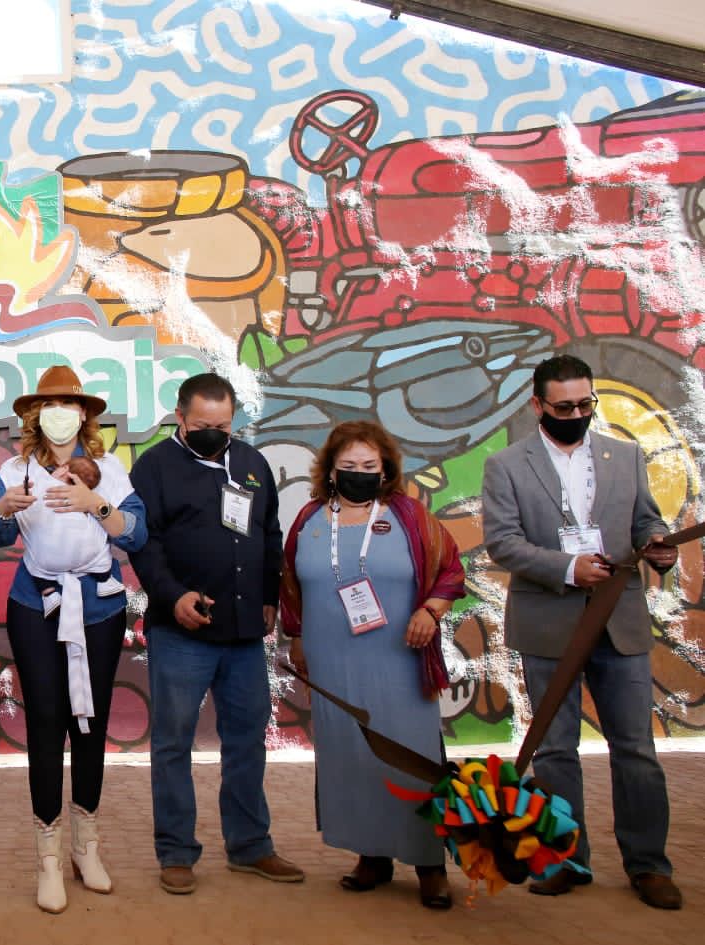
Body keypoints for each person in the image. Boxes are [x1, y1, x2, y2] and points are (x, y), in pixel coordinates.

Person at [482, 354, 681, 910]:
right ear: (538, 405)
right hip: (548, 624)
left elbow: (646, 522)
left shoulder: (627, 456)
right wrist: (569, 568)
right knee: (556, 751)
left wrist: (659, 545)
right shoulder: (506, 465)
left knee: (636, 749)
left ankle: (649, 865)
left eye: (585, 404)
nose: (576, 414)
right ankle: (566, 861)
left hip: (620, 622)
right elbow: (503, 543)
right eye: (564, 406)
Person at [0, 365, 148, 914]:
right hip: (36, 605)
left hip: (99, 607)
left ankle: (86, 847)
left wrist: (95, 503)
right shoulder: (16, 469)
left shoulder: (109, 469)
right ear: (35, 415)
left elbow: (137, 533)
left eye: (68, 405)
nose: (58, 414)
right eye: (47, 405)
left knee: (90, 722)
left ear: (83, 414)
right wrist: (3, 509)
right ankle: (47, 856)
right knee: (47, 722)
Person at [128, 372, 302, 895]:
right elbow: (144, 544)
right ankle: (176, 852)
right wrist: (172, 596)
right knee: (173, 743)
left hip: (244, 634)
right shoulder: (154, 467)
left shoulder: (250, 463)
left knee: (247, 740)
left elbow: (269, 530)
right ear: (180, 417)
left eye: (223, 426)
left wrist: (269, 596)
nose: (214, 433)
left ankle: (250, 846)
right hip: (181, 632)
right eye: (203, 424)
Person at [279, 421, 465, 909]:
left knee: (412, 758)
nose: (359, 473)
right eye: (349, 465)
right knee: (352, 756)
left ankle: (429, 864)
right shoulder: (309, 519)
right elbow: (291, 584)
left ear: (385, 470)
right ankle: (372, 856)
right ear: (330, 470)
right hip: (332, 661)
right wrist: (296, 637)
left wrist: (431, 612)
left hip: (399, 661)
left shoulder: (410, 516)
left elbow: (451, 569)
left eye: (368, 465)